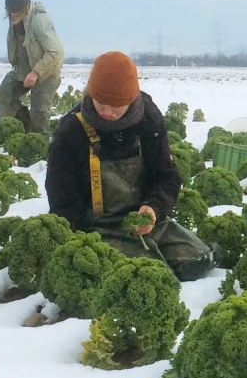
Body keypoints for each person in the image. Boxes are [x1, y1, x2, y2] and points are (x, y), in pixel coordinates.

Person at [46, 50, 214, 281]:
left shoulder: (148, 119)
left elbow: (166, 176)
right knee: (145, 274)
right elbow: (61, 195)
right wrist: (75, 242)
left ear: (131, 99)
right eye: (100, 102)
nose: (106, 111)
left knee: (197, 259)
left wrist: (153, 208)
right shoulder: (71, 130)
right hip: (97, 228)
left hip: (146, 222)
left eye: (116, 105)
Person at [0, 0, 64, 135]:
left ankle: (41, 146)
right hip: (23, 68)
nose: (14, 15)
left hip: (46, 71)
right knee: (6, 95)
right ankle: (21, 131)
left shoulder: (40, 21)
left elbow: (55, 52)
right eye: (11, 11)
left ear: (26, 7)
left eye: (17, 11)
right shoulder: (14, 16)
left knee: (39, 112)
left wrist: (36, 72)